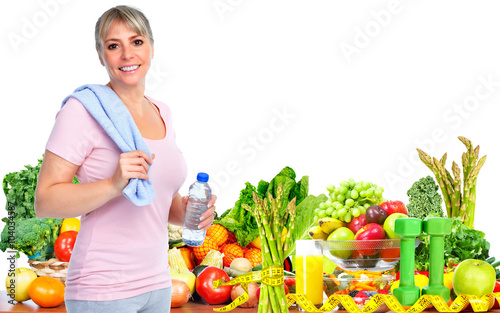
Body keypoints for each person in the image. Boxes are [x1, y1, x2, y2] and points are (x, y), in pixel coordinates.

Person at [34, 5, 216, 313]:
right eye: (113, 45)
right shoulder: (83, 111)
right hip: (102, 288)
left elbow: (157, 200)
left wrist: (188, 213)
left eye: (137, 41)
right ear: (100, 54)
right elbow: (45, 201)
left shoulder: (163, 112)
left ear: (152, 48)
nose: (127, 54)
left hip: (158, 284)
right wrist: (113, 184)